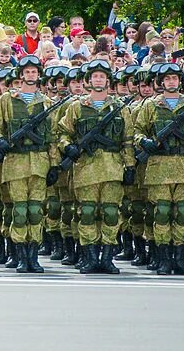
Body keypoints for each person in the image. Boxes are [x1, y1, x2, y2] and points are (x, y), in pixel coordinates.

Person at [56, 60, 135, 274]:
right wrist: (68, 147)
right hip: (85, 168)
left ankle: (107, 258)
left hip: (112, 167)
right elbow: (62, 133)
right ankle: (90, 258)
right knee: (88, 213)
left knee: (110, 213)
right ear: (89, 81)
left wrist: (130, 166)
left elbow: (128, 139)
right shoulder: (76, 107)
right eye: (95, 77)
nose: (98, 80)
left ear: (108, 81)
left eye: (102, 76)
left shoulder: (119, 107)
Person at [132, 62, 184, 275]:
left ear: (180, 81)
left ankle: (181, 259)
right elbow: (137, 131)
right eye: (167, 79)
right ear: (161, 82)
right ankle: (164, 259)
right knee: (162, 213)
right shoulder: (151, 105)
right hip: (159, 168)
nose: (171, 82)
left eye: (174, 78)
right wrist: (144, 142)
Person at [0, 55, 61, 273]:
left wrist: (54, 165)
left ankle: (33, 256)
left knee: (36, 211)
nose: (30, 75)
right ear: (21, 75)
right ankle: (20, 255)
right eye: (27, 72)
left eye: (34, 72)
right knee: (19, 211)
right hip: (15, 163)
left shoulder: (47, 104)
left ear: (39, 75)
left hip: (39, 163)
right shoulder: (7, 101)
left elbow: (54, 137)